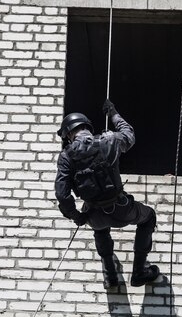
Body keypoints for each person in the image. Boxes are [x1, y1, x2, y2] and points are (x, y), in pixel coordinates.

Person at [54, 100, 160, 289]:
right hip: (121, 209)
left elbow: (62, 195)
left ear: (69, 133)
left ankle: (110, 276)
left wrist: (77, 216)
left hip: (94, 215)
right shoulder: (109, 141)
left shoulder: (66, 156)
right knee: (148, 217)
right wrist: (113, 113)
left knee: (100, 231)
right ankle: (139, 272)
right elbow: (129, 135)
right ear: (86, 126)